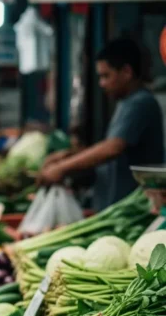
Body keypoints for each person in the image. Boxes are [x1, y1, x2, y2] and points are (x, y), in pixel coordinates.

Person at [39, 38, 165, 211]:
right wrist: (67, 155)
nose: (101, 83)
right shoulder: (126, 103)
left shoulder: (140, 103)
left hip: (131, 209)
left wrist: (62, 168)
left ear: (127, 72)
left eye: (106, 76)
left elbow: (113, 148)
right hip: (115, 207)